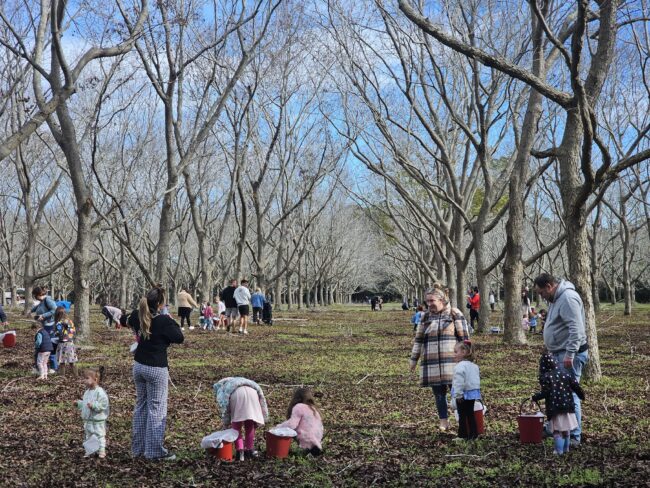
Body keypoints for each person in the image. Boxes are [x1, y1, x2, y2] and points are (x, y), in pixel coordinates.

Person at [129, 286, 184, 461]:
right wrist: (169, 317)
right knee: (156, 409)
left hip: (138, 365)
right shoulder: (163, 321)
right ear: (160, 304)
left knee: (141, 406)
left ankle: (138, 449)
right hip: (156, 368)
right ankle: (153, 451)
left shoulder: (137, 316)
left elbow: (126, 319)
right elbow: (179, 337)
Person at [533, 273, 588, 446]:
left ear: (549, 286)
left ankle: (574, 435)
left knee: (569, 394)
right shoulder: (557, 299)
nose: (541, 296)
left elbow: (576, 329)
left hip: (569, 355)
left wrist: (570, 354)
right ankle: (558, 428)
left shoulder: (568, 298)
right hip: (559, 352)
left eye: (541, 292)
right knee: (558, 393)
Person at [410, 286, 470, 431]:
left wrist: (467, 358)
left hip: (452, 363)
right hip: (432, 363)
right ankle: (443, 421)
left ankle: (463, 420)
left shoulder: (454, 313)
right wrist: (413, 360)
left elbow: (465, 339)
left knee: (458, 393)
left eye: (432, 300)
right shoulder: (425, 317)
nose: (429, 304)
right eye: (427, 301)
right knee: (438, 394)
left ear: (442, 300)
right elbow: (418, 340)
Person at [532, 353, 585, 455]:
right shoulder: (566, 373)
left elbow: (545, 392)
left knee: (557, 431)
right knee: (566, 429)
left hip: (555, 409)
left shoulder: (546, 377)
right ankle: (566, 449)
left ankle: (559, 451)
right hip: (568, 407)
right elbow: (576, 386)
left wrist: (535, 397)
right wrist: (581, 395)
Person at [213, 377, 269, 461]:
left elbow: (225, 407)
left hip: (237, 395)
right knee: (250, 423)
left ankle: (240, 452)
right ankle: (249, 449)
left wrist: (226, 422)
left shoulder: (223, 389)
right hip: (253, 394)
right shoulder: (242, 381)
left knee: (236, 425)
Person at [276, 388, 324, 456]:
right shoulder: (314, 408)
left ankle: (304, 449)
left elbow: (292, 425)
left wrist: (278, 427)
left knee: (287, 429)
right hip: (317, 439)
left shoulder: (299, 407)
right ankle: (312, 450)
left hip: (305, 438)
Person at [75, 366, 110, 459]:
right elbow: (86, 403)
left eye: (87, 378)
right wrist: (79, 404)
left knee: (99, 435)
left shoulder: (100, 392)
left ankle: (101, 450)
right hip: (88, 419)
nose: (84, 380)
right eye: (84, 378)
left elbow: (103, 405)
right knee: (89, 435)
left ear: (95, 379)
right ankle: (90, 450)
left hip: (97, 419)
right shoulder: (87, 392)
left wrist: (94, 406)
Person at [451, 340, 481, 441]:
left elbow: (459, 382)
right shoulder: (474, 366)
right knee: (470, 414)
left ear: (463, 353)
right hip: (472, 394)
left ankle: (462, 435)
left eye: (456, 352)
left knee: (462, 415)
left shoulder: (459, 367)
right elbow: (476, 380)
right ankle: (474, 434)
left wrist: (458, 394)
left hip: (463, 395)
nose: (454, 354)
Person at [31, 286, 58, 372]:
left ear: (39, 294)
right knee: (43, 346)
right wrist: (31, 311)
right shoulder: (41, 301)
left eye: (35, 295)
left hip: (50, 326)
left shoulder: (48, 300)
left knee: (48, 346)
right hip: (44, 326)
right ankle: (41, 366)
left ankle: (53, 367)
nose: (35, 297)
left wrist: (43, 315)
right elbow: (36, 308)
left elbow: (55, 310)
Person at [54, 306, 78, 377]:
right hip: (71, 343)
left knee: (62, 361)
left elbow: (59, 333)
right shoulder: (70, 321)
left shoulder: (59, 323)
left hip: (62, 344)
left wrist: (55, 333)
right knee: (72, 361)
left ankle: (62, 376)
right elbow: (74, 331)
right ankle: (76, 376)